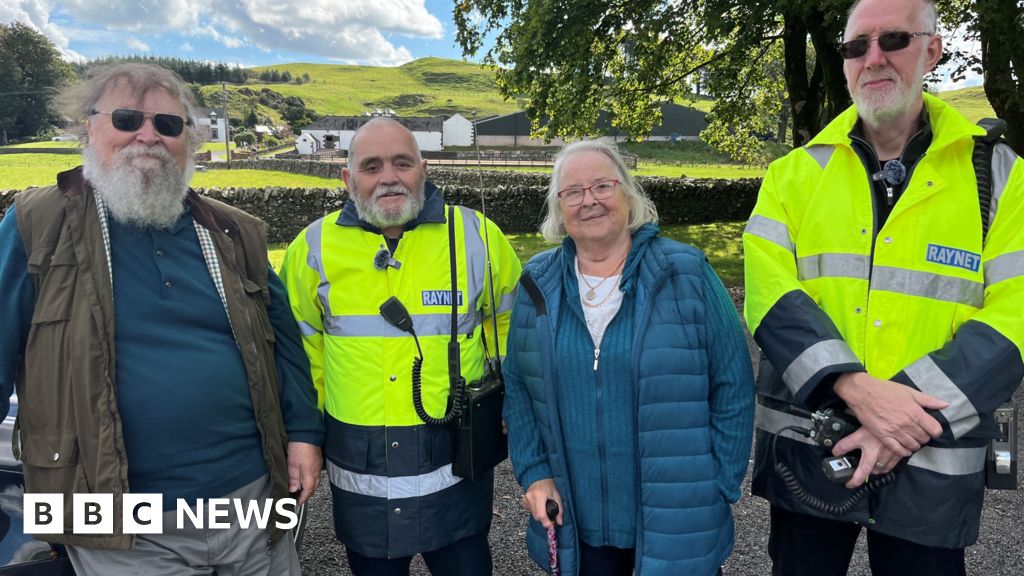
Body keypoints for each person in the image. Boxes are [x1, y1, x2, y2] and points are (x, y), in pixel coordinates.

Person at [0, 62, 324, 575]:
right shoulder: (35, 224)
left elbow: (284, 345)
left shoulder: (234, 231)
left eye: (168, 124)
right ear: (89, 128)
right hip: (115, 518)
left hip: (251, 500)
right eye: (127, 119)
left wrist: (304, 433)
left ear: (188, 140)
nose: (148, 136)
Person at [744, 0, 1024, 573]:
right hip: (812, 454)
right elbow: (769, 294)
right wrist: (855, 389)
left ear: (932, 50)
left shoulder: (1001, 177)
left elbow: (1015, 312)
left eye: (893, 39)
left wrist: (903, 417)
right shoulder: (793, 175)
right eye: (856, 46)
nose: (872, 58)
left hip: (930, 458)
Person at [279, 117, 522, 576]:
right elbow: (297, 353)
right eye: (371, 166)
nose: (388, 177)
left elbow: (515, 322)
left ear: (423, 170)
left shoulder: (476, 235)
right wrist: (304, 434)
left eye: (402, 163)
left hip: (455, 464)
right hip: (362, 470)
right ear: (348, 178)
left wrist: (511, 394)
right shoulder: (312, 247)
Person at [502, 140, 755, 576]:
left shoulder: (686, 271)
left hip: (678, 516)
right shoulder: (538, 282)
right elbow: (521, 388)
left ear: (628, 193)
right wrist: (535, 473)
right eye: (573, 192)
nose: (589, 200)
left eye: (602, 186)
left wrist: (719, 484)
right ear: (558, 208)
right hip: (578, 524)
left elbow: (733, 381)